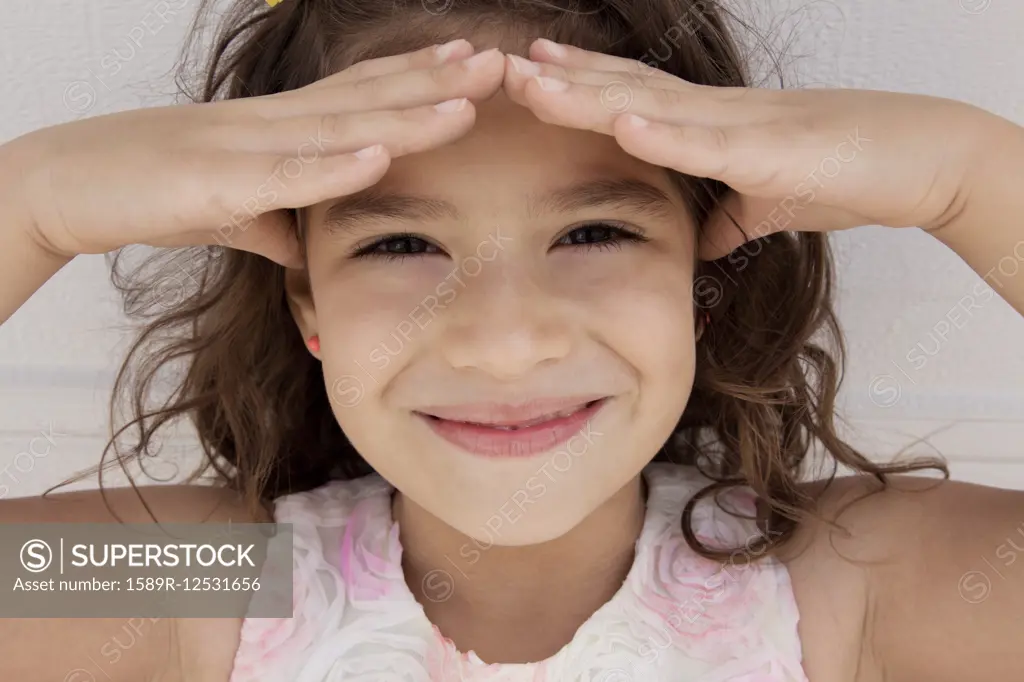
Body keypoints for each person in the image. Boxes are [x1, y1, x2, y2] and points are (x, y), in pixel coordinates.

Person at [1, 0, 1022, 680]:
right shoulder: (214, 584)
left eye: (594, 231)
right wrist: (33, 200)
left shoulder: (840, 581)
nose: (504, 341)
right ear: (309, 308)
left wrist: (970, 173)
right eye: (402, 241)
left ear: (700, 282)